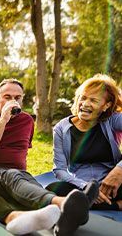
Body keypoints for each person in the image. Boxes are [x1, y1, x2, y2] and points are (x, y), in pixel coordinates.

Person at [0, 78, 95, 235]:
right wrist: (3, 119)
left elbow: (22, 153)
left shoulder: (27, 120)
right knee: (13, 176)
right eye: (7, 97)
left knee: (29, 185)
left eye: (17, 97)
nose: (13, 101)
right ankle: (63, 204)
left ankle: (64, 220)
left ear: (22, 99)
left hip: (18, 175)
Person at [48, 74, 122, 211]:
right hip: (80, 186)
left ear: (106, 105)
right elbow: (59, 169)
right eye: (83, 97)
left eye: (93, 100)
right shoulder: (61, 128)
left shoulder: (112, 120)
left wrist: (119, 170)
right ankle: (115, 205)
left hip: (113, 185)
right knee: (53, 189)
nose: (85, 103)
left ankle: (91, 204)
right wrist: (86, 187)